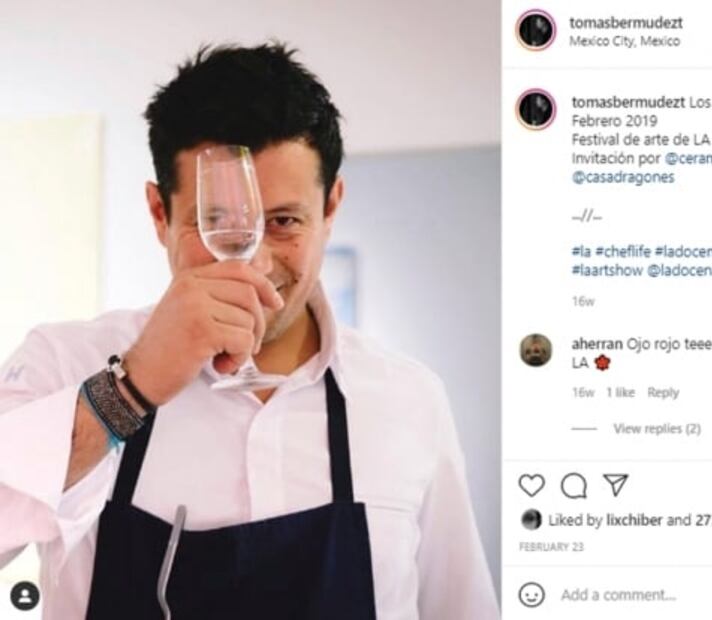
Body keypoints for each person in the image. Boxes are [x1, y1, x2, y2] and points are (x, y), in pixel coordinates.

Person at [0, 42, 499, 619]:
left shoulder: (409, 398)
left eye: (283, 221)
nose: (253, 263)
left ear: (331, 207)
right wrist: (128, 391)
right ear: (160, 214)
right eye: (215, 223)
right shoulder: (62, 362)